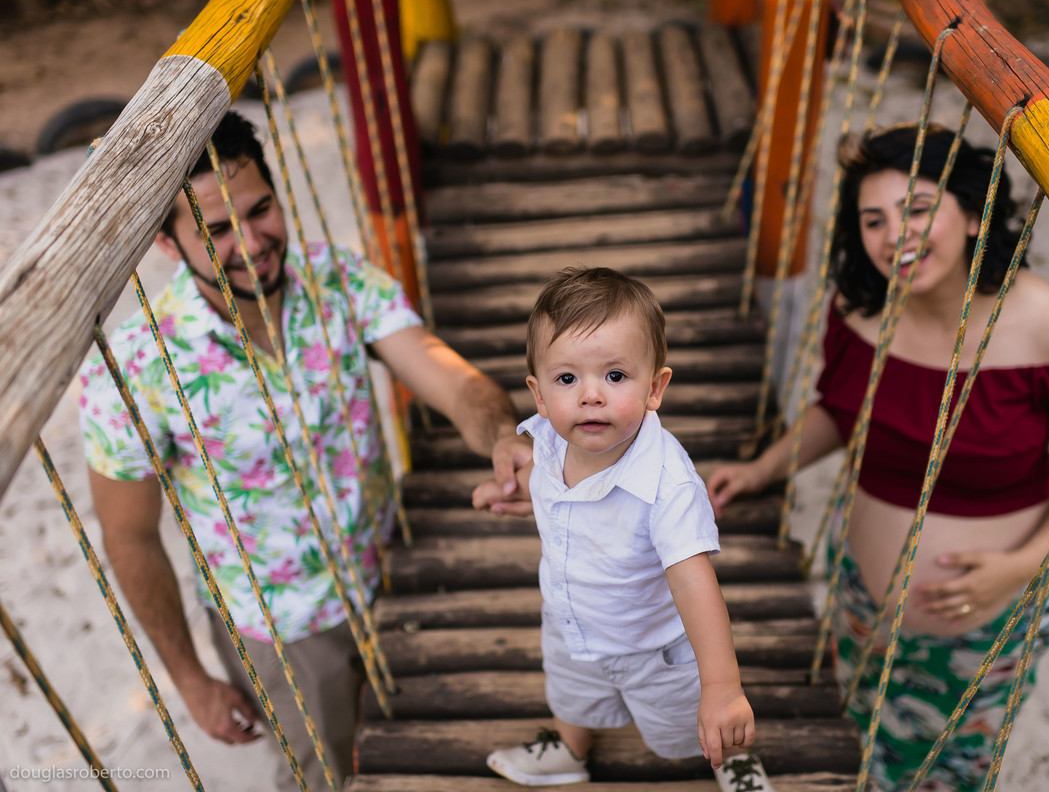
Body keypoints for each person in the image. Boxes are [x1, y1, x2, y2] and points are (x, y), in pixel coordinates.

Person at [77, 110, 531, 792]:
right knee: (326, 776)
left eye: (260, 209)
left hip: (391, 565)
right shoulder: (134, 366)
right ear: (169, 244)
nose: (253, 242)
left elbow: (451, 379)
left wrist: (502, 436)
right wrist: (192, 680)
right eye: (217, 229)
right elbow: (129, 539)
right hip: (281, 630)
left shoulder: (336, 277)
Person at [705, 123, 1049, 791]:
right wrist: (766, 467)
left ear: (969, 213)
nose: (892, 235)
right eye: (872, 220)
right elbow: (843, 410)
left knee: (944, 776)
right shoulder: (860, 310)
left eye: (915, 209)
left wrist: (1019, 567)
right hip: (861, 598)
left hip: (987, 615)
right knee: (862, 739)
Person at [472, 267, 776, 791]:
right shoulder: (547, 443)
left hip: (651, 646)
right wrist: (518, 490)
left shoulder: (667, 483)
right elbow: (545, 478)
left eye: (615, 376)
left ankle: (736, 759)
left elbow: (693, 581)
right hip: (572, 625)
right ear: (539, 396)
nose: (590, 395)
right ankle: (569, 749)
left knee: (693, 719)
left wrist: (723, 687)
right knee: (571, 695)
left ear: (656, 386)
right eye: (567, 379)